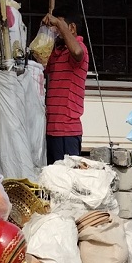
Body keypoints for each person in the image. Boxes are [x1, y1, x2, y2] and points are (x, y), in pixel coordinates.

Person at [42, 11, 89, 164]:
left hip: (67, 130)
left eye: (59, 26)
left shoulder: (79, 48)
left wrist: (59, 24)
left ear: (72, 28)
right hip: (50, 128)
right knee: (52, 179)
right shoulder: (56, 52)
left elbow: (77, 52)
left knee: (67, 179)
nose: (56, 31)